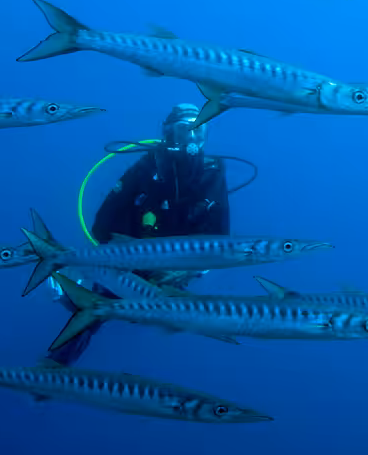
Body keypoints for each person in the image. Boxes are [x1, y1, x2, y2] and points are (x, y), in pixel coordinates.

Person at [45, 103, 253, 366]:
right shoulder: (147, 166)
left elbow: (219, 238)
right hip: (128, 263)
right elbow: (102, 225)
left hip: (175, 271)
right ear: (169, 133)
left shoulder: (213, 173)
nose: (192, 137)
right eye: (184, 129)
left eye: (200, 130)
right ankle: (52, 366)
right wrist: (120, 256)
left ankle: (76, 292)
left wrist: (187, 270)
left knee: (167, 315)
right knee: (94, 309)